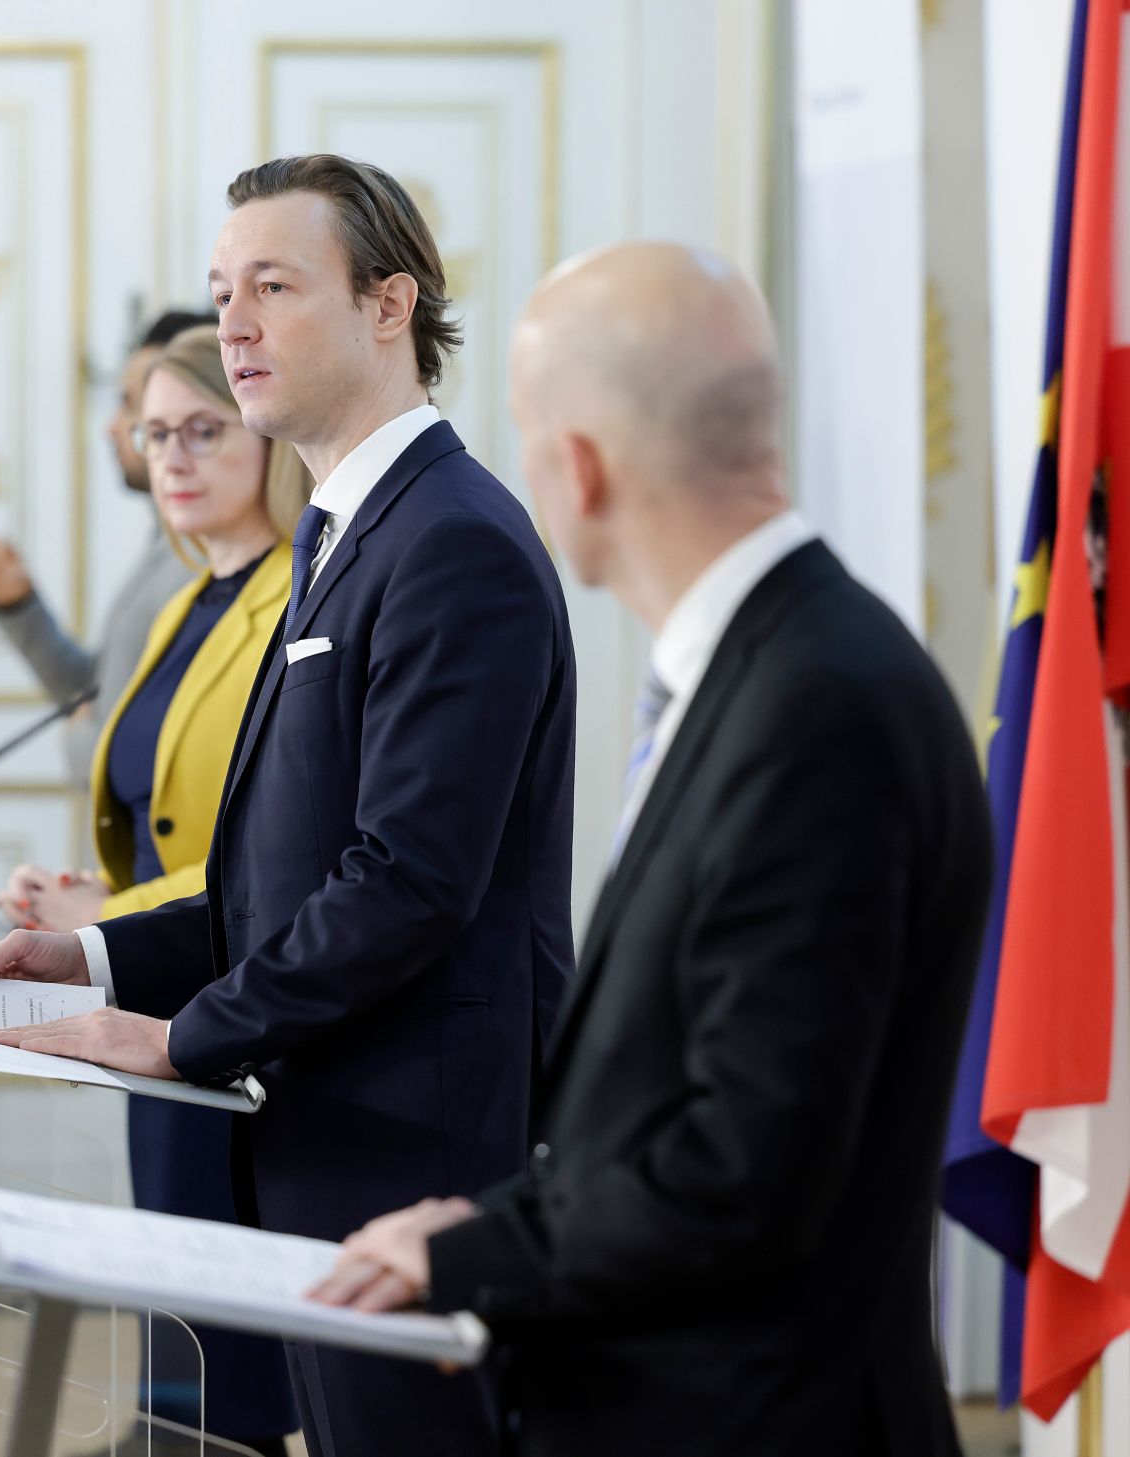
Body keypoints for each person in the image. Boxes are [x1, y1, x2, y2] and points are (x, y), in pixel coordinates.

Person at [311, 243, 993, 1457]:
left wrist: (468, 1248)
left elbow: (748, 1165)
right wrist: (497, 1212)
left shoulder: (816, 709)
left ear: (575, 465)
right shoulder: (779, 669)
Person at [0, 155, 578, 1457]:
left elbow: (406, 879)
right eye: (221, 288)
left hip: (414, 1142)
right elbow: (278, 872)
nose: (234, 321)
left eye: (275, 284)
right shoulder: (344, 532)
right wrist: (103, 953)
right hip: (328, 1123)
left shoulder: (449, 539)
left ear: (388, 304)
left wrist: (182, 1036)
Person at [0, 324, 309, 1455]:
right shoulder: (188, 597)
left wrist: (108, 921)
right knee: (174, 1302)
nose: (170, 457)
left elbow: (274, 852)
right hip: (158, 992)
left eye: (202, 430)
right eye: (154, 433)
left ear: (268, 438)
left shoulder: (294, 599)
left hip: (238, 1005)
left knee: (229, 1342)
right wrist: (85, 894)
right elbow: (165, 815)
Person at [0, 309, 214, 785]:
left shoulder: (205, 561)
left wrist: (81, 739)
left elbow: (159, 766)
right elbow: (98, 691)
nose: (114, 427)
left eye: (130, 403)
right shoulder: (167, 546)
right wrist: (20, 606)